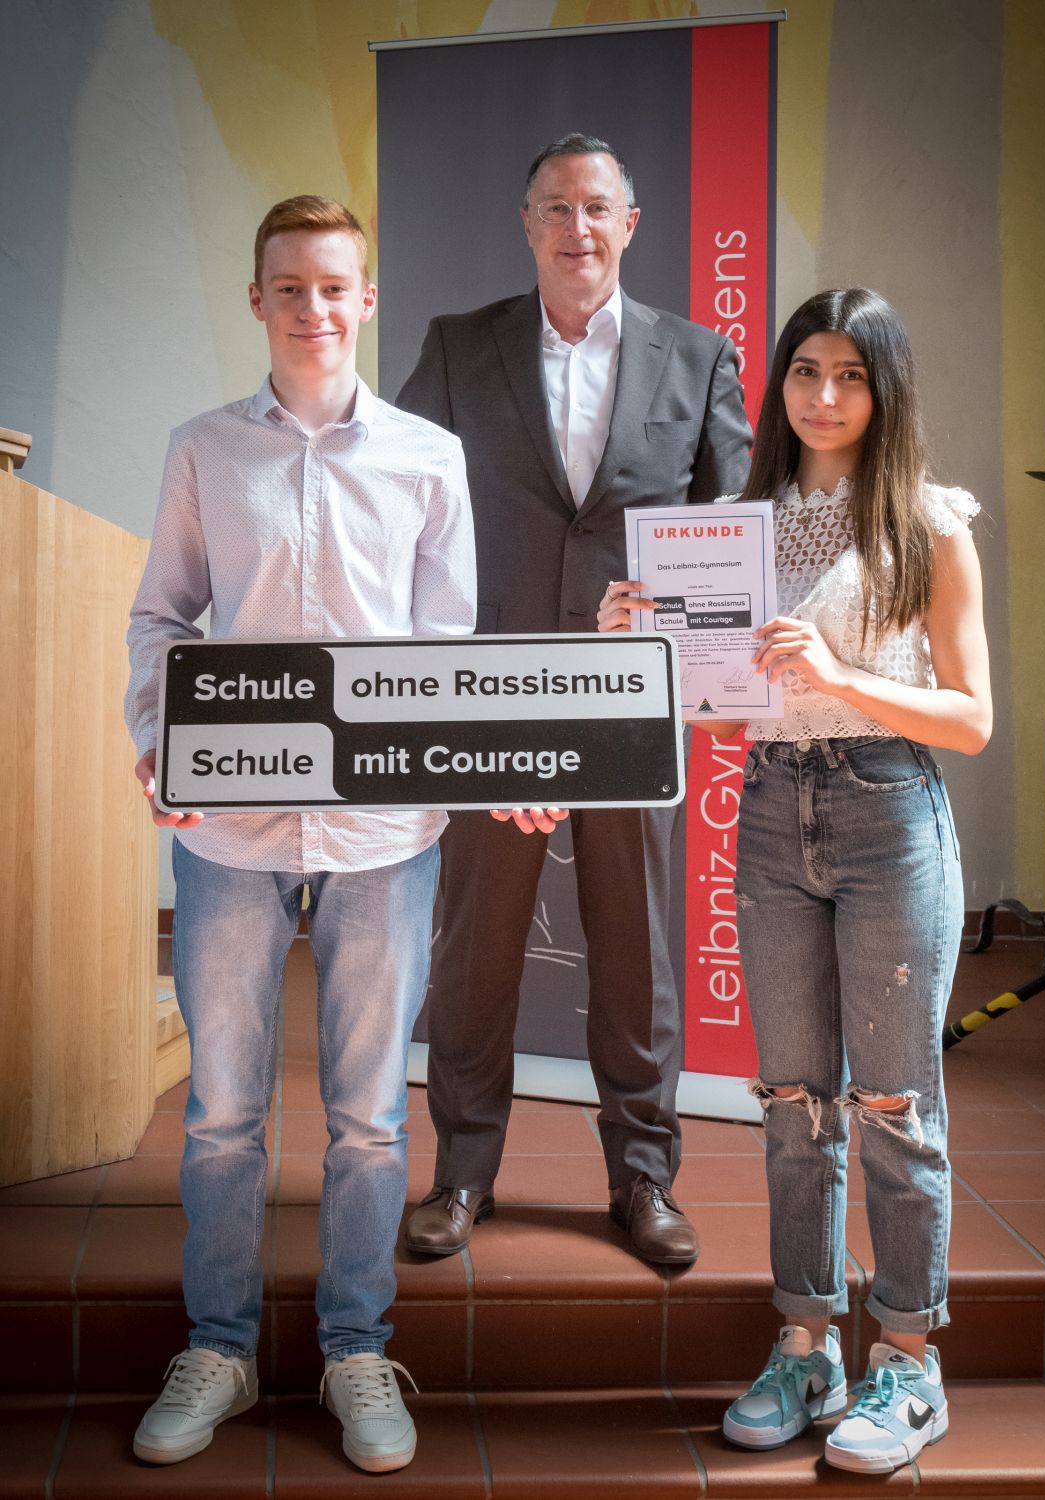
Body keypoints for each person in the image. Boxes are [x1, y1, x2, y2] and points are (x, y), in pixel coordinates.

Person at [598, 287, 990, 1473]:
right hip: (772, 810)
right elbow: (724, 717)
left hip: (890, 812)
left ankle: (907, 1364)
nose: (824, 396)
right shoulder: (737, 526)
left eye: (850, 375)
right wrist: (641, 648)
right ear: (779, 386)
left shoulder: (929, 524)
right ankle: (806, 1346)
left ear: (884, 389)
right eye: (806, 371)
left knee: (893, 1107)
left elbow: (970, 719)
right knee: (791, 1105)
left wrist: (838, 672)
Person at [124, 195, 478, 1474]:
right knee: (222, 1114)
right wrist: (162, 738)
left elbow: (446, 649)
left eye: (335, 287)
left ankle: (353, 1349)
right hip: (231, 829)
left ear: (365, 299)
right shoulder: (203, 450)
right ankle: (219, 1346)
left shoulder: (430, 457)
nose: (313, 309)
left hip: (383, 834)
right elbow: (163, 618)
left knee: (371, 1119)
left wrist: (486, 763)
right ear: (258, 300)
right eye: (290, 288)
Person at [396, 133, 752, 1266]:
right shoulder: (458, 346)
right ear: (527, 222)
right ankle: (461, 1173)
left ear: (629, 224)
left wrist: (701, 645)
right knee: (475, 946)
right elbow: (396, 501)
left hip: (633, 701)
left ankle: (643, 1178)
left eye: (596, 207)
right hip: (492, 696)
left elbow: (735, 531)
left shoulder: (698, 357)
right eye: (555, 207)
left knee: (636, 946)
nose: (576, 228)